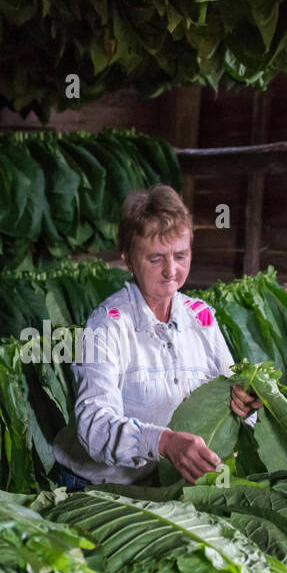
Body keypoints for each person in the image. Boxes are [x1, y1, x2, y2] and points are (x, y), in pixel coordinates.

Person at [51, 184, 260, 490]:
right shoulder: (107, 325)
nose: (171, 271)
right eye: (155, 259)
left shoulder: (202, 318)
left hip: (167, 485)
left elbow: (229, 394)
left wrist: (246, 405)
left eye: (181, 255)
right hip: (101, 486)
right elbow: (94, 425)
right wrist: (163, 442)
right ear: (128, 259)